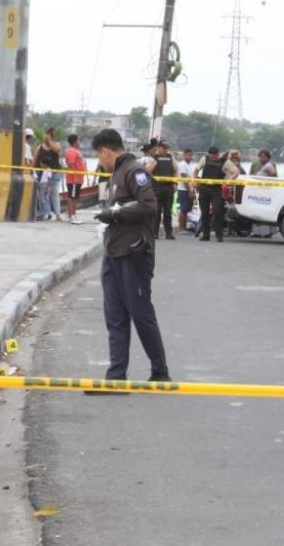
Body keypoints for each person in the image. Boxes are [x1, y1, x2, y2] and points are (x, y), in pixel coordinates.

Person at [89, 128, 170, 391]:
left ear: (106, 151)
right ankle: (116, 377)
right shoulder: (117, 172)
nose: (100, 162)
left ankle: (160, 371)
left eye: (100, 157)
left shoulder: (134, 171)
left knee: (140, 313)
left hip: (133, 254)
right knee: (114, 316)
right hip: (114, 252)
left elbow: (148, 205)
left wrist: (115, 213)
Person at [197, 146, 227, 242]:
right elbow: (196, 170)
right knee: (204, 213)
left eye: (214, 156)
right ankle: (206, 235)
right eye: (210, 156)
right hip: (204, 189)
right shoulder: (204, 159)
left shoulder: (224, 161)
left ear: (218, 154)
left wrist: (226, 182)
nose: (212, 158)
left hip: (217, 190)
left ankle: (219, 235)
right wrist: (194, 180)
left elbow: (235, 172)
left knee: (218, 211)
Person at [35, 127, 63, 222]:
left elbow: (57, 150)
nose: (44, 137)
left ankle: (58, 215)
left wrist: (49, 140)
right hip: (42, 175)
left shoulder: (56, 144)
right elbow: (35, 160)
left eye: (46, 135)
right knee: (43, 195)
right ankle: (46, 213)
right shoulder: (40, 147)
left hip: (54, 173)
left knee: (54, 194)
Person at [151, 140, 177, 239]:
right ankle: (155, 233)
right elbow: (147, 170)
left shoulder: (170, 158)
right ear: (158, 147)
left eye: (167, 148)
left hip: (168, 188)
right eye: (164, 148)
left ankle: (169, 233)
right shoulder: (153, 158)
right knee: (156, 212)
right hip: (157, 188)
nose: (166, 150)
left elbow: (175, 170)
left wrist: (175, 183)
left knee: (168, 212)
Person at [64, 134, 87, 225]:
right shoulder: (71, 151)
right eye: (78, 140)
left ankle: (73, 215)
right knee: (72, 197)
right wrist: (75, 177)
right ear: (75, 141)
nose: (79, 142)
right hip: (74, 180)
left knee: (74, 197)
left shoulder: (76, 151)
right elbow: (71, 164)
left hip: (78, 179)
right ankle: (72, 216)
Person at [176, 149, 197, 234]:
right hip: (183, 189)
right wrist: (189, 191)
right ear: (184, 155)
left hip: (190, 188)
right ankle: (181, 228)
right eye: (188, 155)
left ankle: (184, 227)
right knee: (183, 209)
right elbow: (184, 179)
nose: (190, 157)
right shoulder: (182, 165)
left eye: (191, 155)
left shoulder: (190, 165)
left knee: (187, 208)